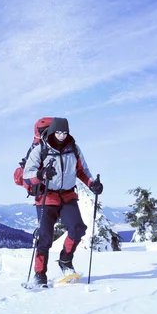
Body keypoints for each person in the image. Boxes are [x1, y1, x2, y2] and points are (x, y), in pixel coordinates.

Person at [22, 117, 103, 286]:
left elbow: (82, 171)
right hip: (46, 196)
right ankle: (40, 273)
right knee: (45, 236)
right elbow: (27, 175)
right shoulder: (41, 149)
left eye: (64, 132)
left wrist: (92, 184)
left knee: (78, 228)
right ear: (52, 131)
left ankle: (65, 260)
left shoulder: (73, 148)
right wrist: (41, 174)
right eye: (58, 132)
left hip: (67, 195)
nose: (61, 135)